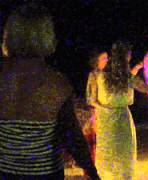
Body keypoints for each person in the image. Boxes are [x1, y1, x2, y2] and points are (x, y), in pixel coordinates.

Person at [0, 3, 99, 180]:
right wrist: (92, 172)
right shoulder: (57, 83)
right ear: (47, 36)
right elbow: (72, 138)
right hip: (45, 174)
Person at [93, 40, 148, 179]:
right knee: (123, 153)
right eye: (129, 56)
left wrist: (135, 69)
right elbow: (147, 89)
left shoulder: (101, 75)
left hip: (105, 118)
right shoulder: (127, 78)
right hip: (121, 120)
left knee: (108, 153)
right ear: (126, 57)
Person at [86, 48, 110, 163]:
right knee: (96, 143)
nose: (107, 60)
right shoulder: (94, 75)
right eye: (104, 58)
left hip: (106, 113)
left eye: (107, 57)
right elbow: (91, 99)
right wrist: (104, 109)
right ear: (96, 60)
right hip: (98, 114)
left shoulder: (106, 74)